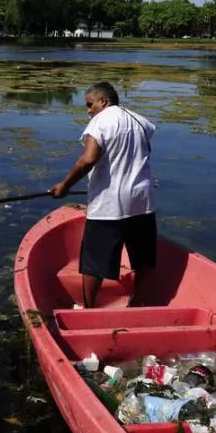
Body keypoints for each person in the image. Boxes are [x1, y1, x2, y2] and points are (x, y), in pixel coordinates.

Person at [50, 82, 157, 308]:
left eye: (90, 104)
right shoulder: (140, 120)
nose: (88, 110)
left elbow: (88, 159)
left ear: (103, 101)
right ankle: (137, 304)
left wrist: (65, 186)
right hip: (142, 201)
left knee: (93, 262)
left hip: (109, 204)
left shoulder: (100, 121)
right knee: (143, 259)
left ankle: (88, 308)